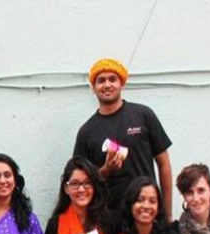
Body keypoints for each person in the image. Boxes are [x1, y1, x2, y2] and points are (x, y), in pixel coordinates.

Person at [74, 58, 173, 219]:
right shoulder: (87, 132)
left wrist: (167, 215)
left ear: (122, 84)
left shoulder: (143, 115)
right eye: (101, 81)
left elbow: (164, 164)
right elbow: (81, 183)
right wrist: (105, 171)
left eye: (112, 79)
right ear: (93, 87)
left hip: (148, 215)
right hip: (110, 220)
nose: (107, 85)